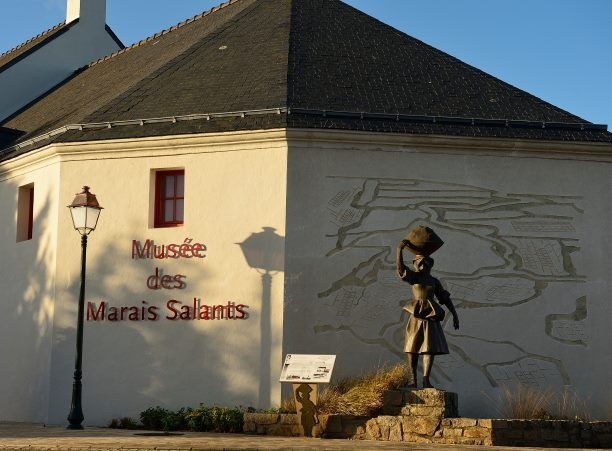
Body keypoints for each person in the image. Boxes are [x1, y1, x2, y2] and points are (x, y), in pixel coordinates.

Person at [396, 227, 459, 389]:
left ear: (431, 264)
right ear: (416, 264)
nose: (423, 265)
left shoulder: (434, 281)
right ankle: (412, 379)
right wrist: (399, 251)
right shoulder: (414, 277)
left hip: (431, 316)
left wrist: (455, 315)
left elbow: (444, 298)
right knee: (412, 348)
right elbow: (401, 270)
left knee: (429, 349)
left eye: (426, 263)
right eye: (420, 263)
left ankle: (426, 380)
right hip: (416, 315)